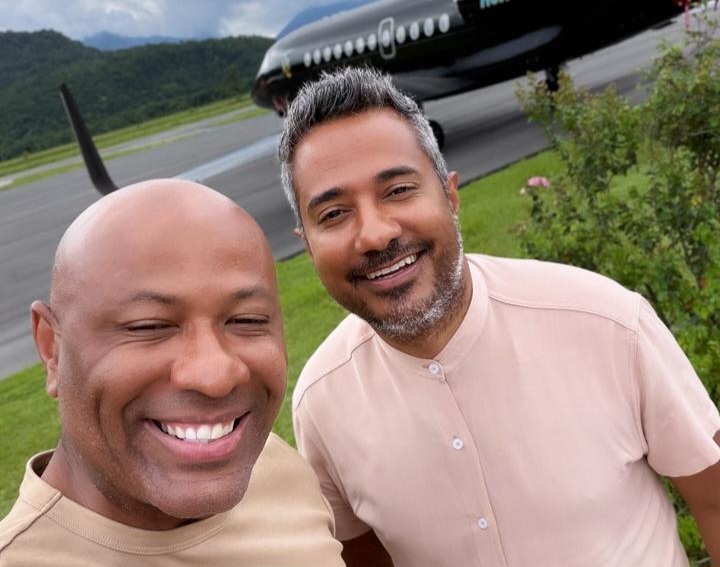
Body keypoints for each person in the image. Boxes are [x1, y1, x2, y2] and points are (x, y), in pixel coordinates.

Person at [278, 67, 720, 567]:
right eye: (334, 214)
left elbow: (715, 501)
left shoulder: (607, 323)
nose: (376, 234)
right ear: (307, 245)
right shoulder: (321, 403)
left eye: (398, 190)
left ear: (450, 195)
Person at [0, 179, 345, 566]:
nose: (215, 376)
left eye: (247, 320)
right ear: (52, 348)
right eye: (149, 326)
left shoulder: (275, 467)